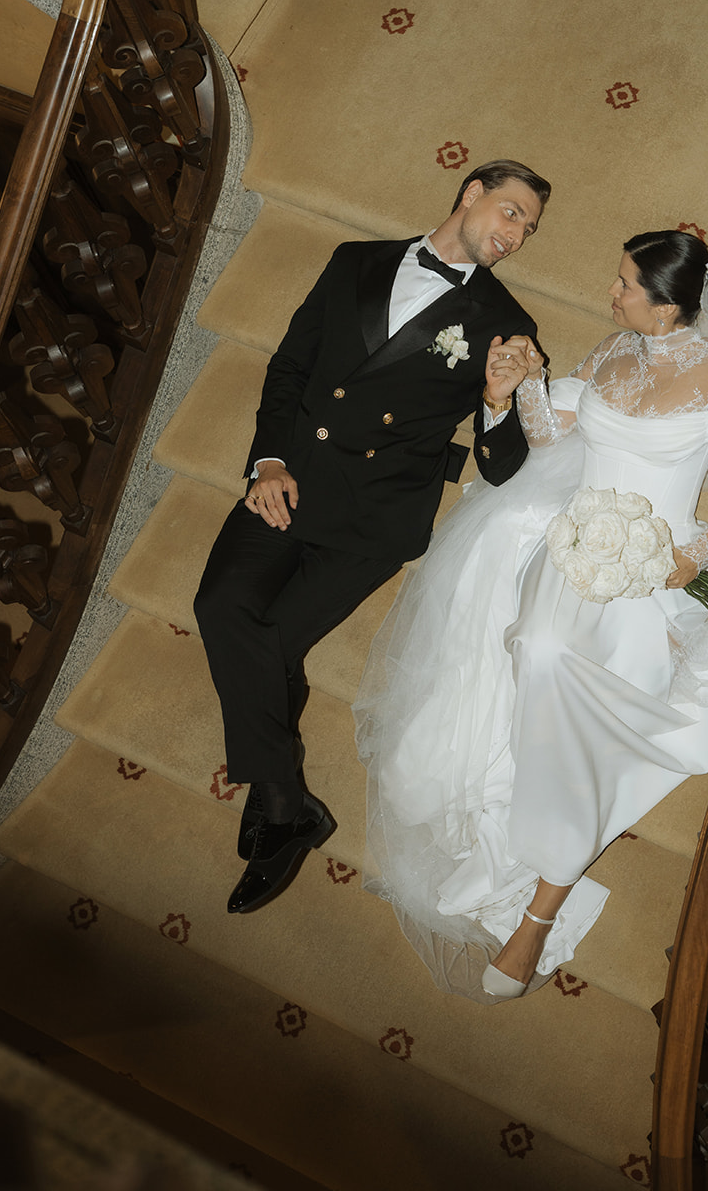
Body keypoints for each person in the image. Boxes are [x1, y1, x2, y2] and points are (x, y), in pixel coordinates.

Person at [354, 230, 708, 999]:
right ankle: (534, 841)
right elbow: (557, 439)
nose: (612, 293)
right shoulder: (616, 350)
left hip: (659, 559)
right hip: (577, 540)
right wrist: (530, 382)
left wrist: (693, 555)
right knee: (537, 645)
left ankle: (539, 914)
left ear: (668, 305)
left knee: (555, 660)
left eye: (626, 285)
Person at [195, 159, 551, 915]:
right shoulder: (354, 261)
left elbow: (503, 465)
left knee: (273, 646)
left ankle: (283, 806)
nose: (516, 235)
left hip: (373, 518)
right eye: (511, 212)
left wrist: (496, 398)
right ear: (470, 194)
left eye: (528, 227)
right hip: (288, 480)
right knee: (221, 607)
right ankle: (287, 802)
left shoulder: (505, 325)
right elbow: (291, 366)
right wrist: (267, 460)